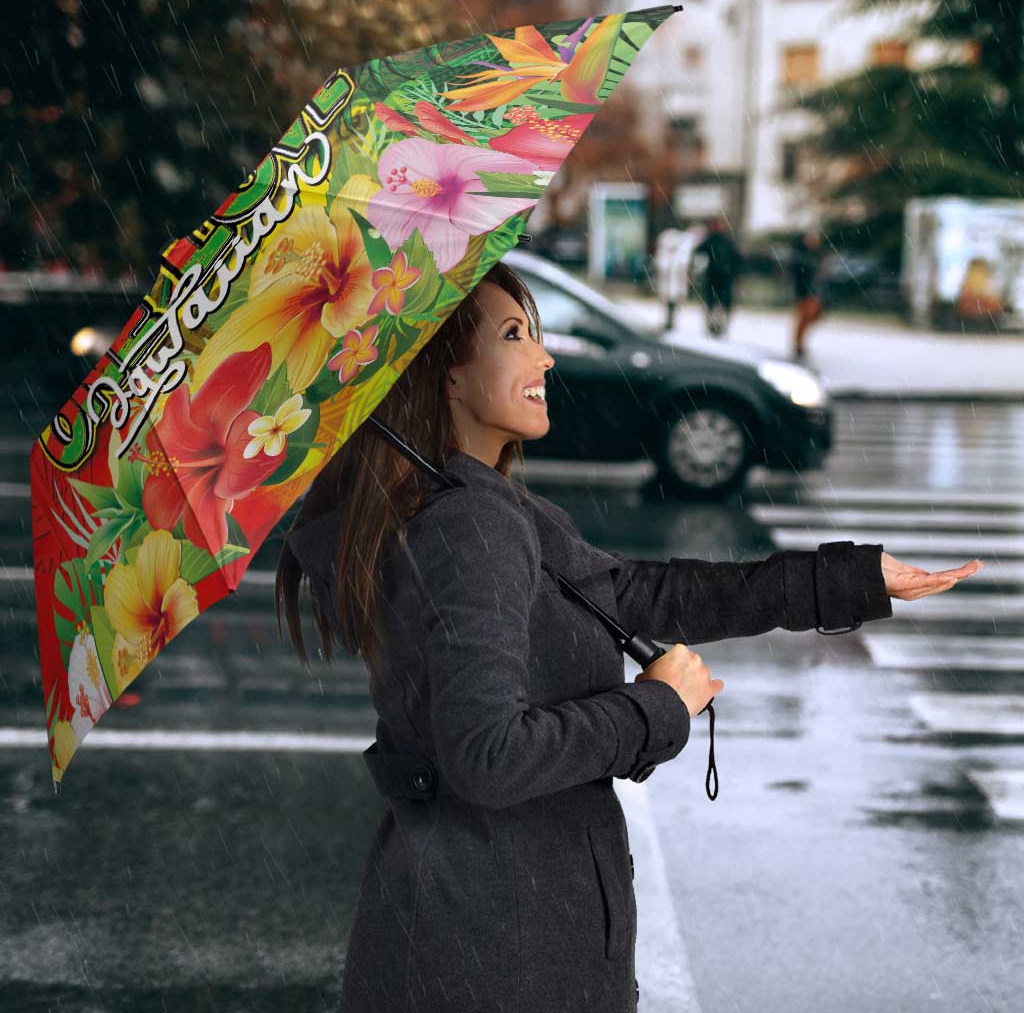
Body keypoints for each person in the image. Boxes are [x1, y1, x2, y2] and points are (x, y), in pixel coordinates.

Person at [277, 260, 981, 1013]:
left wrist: (849, 579)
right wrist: (655, 708)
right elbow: (487, 756)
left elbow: (643, 594)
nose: (544, 357)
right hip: (496, 951)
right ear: (447, 376)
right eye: (514, 335)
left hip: (479, 932)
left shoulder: (479, 508)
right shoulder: (470, 525)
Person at [692, 215, 742, 338]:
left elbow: (736, 259)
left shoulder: (725, 241)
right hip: (715, 277)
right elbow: (698, 253)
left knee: (720, 304)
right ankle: (713, 326)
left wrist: (735, 273)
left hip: (723, 277)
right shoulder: (712, 240)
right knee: (713, 303)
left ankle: (719, 326)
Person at [790, 228, 825, 359]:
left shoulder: (816, 255)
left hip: (814, 292)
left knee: (812, 317)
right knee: (804, 318)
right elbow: (799, 275)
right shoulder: (802, 256)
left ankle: (800, 343)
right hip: (805, 292)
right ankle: (798, 345)